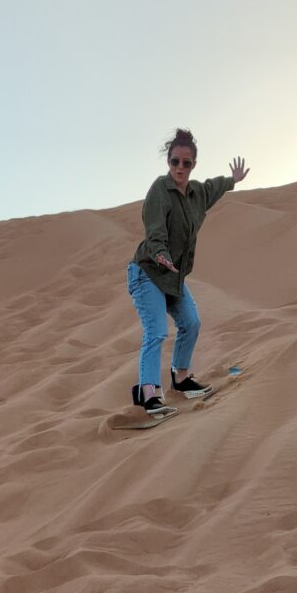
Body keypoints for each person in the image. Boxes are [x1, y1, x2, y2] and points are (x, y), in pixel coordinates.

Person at [127, 128, 250, 413]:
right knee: (156, 332)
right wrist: (160, 253)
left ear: (193, 164)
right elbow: (154, 227)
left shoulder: (196, 194)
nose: (180, 168)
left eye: (186, 163)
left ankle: (181, 380)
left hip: (174, 275)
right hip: (148, 271)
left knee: (191, 323)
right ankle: (148, 395)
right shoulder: (160, 189)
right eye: (175, 162)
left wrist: (232, 180)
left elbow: (212, 188)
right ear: (168, 162)